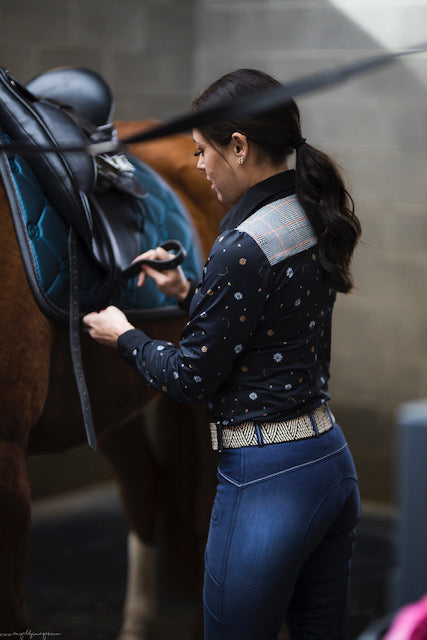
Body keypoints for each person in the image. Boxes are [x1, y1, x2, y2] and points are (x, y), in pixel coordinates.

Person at [83, 68, 362, 640]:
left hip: (266, 481)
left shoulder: (241, 246)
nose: (201, 166)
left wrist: (124, 335)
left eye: (203, 152)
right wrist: (188, 291)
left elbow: (188, 378)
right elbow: (271, 321)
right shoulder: (309, 214)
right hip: (330, 463)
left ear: (238, 147)